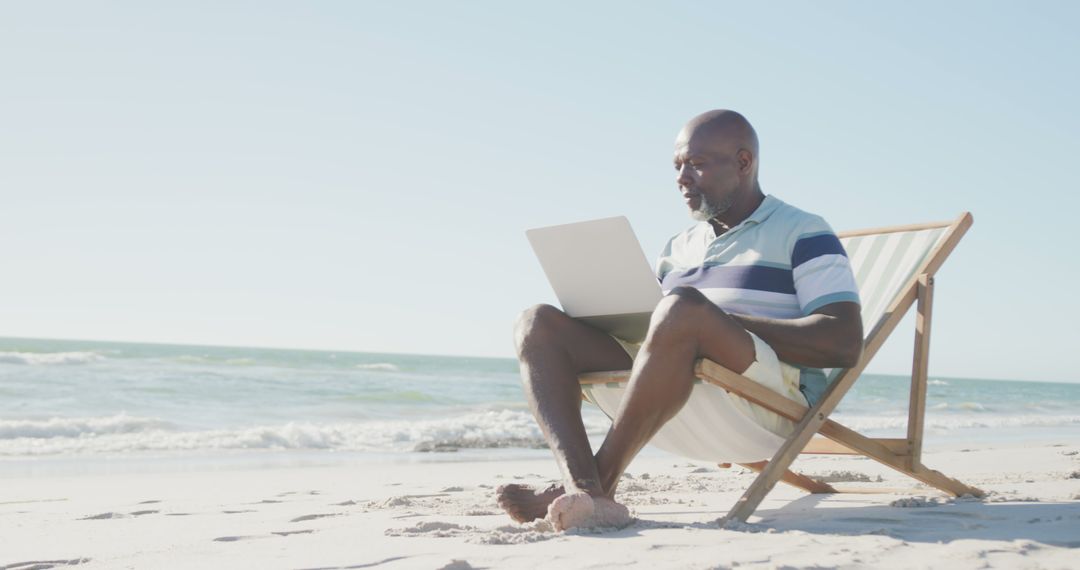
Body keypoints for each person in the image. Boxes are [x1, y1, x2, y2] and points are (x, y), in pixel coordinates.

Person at [497, 110, 864, 531]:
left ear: (744, 163)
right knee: (536, 323)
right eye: (677, 166)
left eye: (698, 164)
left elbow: (842, 342)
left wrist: (711, 323)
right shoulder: (679, 246)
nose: (682, 178)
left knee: (680, 308)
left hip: (766, 405)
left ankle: (597, 489)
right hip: (674, 394)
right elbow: (657, 334)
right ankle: (581, 487)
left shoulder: (804, 232)